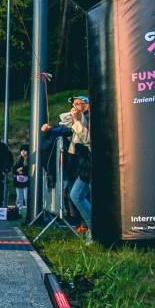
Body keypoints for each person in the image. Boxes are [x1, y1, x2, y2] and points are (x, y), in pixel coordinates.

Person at [43, 95, 91, 243]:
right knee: (74, 195)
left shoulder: (88, 119)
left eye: (78, 104)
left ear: (87, 106)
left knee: (79, 195)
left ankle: (90, 227)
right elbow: (62, 130)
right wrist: (48, 131)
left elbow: (87, 138)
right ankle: (82, 225)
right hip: (75, 162)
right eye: (74, 104)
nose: (74, 107)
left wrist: (76, 121)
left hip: (87, 161)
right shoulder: (76, 119)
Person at [14, 144, 30, 212]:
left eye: (25, 150)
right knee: (19, 198)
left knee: (26, 198)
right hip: (18, 181)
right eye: (22, 150)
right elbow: (14, 169)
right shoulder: (18, 159)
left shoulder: (30, 159)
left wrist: (22, 169)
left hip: (26, 182)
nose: (23, 152)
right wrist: (18, 171)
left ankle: (29, 212)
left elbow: (29, 169)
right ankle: (19, 211)